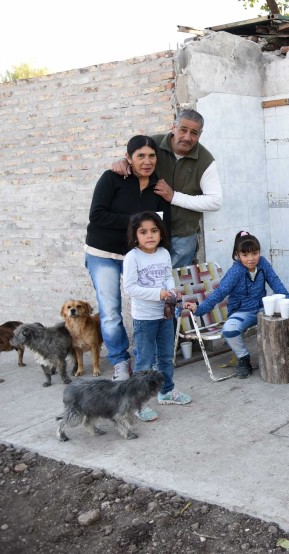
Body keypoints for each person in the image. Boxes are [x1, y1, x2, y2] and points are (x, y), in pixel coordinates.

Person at [86, 135, 171, 382]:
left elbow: (162, 225)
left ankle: (146, 357)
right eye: (140, 156)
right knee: (111, 311)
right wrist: (136, 222)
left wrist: (162, 254)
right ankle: (120, 362)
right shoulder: (112, 178)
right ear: (128, 158)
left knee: (149, 304)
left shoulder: (158, 187)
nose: (146, 161)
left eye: (151, 156)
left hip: (139, 256)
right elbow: (97, 216)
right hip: (103, 253)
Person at [181, 231, 289, 379]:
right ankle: (243, 359)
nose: (251, 259)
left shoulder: (262, 263)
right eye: (245, 255)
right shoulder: (235, 271)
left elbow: (276, 282)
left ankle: (283, 350)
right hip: (242, 312)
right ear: (237, 255)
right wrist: (200, 309)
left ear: (259, 253)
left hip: (263, 309)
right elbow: (220, 292)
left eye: (254, 253)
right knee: (229, 330)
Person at [113, 109, 223, 268]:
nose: (187, 137)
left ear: (200, 134)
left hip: (183, 235)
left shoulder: (205, 160)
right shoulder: (153, 144)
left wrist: (174, 197)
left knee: (176, 285)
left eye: (194, 133)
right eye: (183, 130)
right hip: (148, 232)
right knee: (150, 279)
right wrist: (124, 162)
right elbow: (135, 157)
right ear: (173, 127)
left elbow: (215, 201)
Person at [121, 211, 191, 421]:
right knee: (144, 361)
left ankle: (167, 391)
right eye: (143, 232)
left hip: (165, 315)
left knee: (167, 357)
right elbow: (130, 288)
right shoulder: (132, 257)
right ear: (135, 236)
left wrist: (172, 289)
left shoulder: (163, 253)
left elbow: (168, 276)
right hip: (144, 318)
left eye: (154, 230)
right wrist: (157, 294)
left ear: (161, 233)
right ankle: (137, 403)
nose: (149, 236)